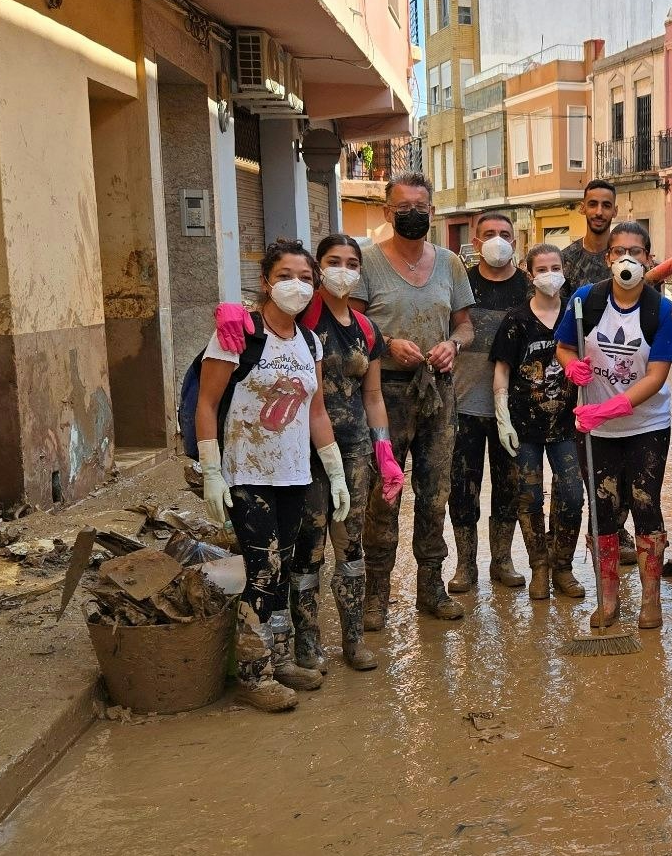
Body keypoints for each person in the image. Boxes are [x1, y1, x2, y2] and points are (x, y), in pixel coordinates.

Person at [194, 239, 353, 712]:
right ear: (265, 282)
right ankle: (253, 674)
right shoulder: (237, 335)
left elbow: (317, 411)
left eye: (306, 278)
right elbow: (206, 404)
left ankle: (278, 659)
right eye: (285, 276)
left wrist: (335, 472)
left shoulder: (310, 342)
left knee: (281, 572)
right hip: (248, 474)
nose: (297, 286)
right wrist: (211, 473)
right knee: (262, 573)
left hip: (294, 475)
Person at [353, 173, 475, 624]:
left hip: (439, 395)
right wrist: (385, 344)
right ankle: (376, 594)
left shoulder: (449, 264)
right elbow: (353, 326)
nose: (412, 215)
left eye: (420, 207)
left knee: (435, 494)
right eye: (402, 207)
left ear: (432, 211)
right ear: (387, 212)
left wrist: (454, 345)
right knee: (382, 495)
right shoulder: (366, 263)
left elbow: (465, 324)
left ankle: (431, 588)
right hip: (383, 394)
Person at [555, 222, 672, 629]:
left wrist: (610, 408)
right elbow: (565, 346)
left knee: (646, 505)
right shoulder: (584, 301)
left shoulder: (660, 310)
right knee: (603, 511)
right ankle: (607, 599)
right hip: (595, 431)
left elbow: (657, 376)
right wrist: (570, 367)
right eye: (619, 251)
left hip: (646, 426)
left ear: (648, 258)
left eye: (637, 251)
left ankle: (651, 600)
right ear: (608, 258)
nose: (627, 258)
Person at [291, 234, 402, 678]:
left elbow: (373, 395)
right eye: (333, 261)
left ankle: (352, 639)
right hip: (303, 451)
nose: (343, 269)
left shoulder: (366, 328)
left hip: (355, 450)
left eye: (352, 262)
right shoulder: (301, 318)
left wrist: (384, 447)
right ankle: (306, 643)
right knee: (308, 548)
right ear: (318, 269)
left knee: (350, 544)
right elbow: (255, 323)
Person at [490, 243, 586, 600]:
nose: (549, 275)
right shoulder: (516, 320)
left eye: (555, 267)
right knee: (528, 497)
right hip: (524, 425)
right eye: (541, 269)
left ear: (564, 271)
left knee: (573, 497)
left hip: (566, 425)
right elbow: (501, 370)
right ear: (529, 275)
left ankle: (563, 566)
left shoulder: (576, 318)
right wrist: (503, 418)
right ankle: (539, 568)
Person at [448, 210, 532, 597]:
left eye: (504, 233)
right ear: (476, 242)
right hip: (462, 404)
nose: (497, 240)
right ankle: (465, 564)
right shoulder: (459, 283)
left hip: (511, 409)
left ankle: (502, 559)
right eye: (489, 234)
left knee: (508, 486)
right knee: (462, 488)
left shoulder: (529, 288)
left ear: (514, 242)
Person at [558, 179, 635, 565]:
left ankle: (616, 533)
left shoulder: (629, 258)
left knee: (622, 463)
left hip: (623, 373)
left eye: (607, 205)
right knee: (577, 469)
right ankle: (567, 558)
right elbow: (555, 324)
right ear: (583, 208)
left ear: (615, 210)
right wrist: (570, 367)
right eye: (593, 204)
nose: (600, 211)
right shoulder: (568, 260)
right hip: (579, 378)